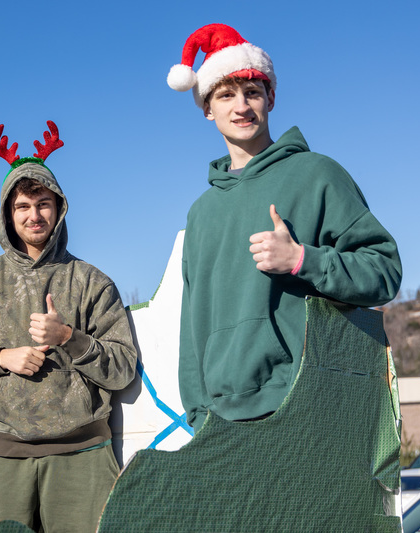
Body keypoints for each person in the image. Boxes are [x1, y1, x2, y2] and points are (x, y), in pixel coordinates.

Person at [166, 24, 403, 432]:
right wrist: (196, 411)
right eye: (225, 95)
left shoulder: (316, 175)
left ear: (271, 97)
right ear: (207, 108)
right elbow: (193, 323)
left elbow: (384, 272)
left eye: (252, 92)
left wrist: (300, 259)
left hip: (307, 404)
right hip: (219, 420)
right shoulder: (200, 212)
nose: (241, 106)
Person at [0, 121, 138, 533]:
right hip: (0, 455)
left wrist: (70, 338)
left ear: (59, 208)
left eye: (43, 203)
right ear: (8, 215)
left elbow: (122, 369)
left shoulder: (91, 282)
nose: (34, 215)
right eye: (22, 207)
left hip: (82, 455)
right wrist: (0, 359)